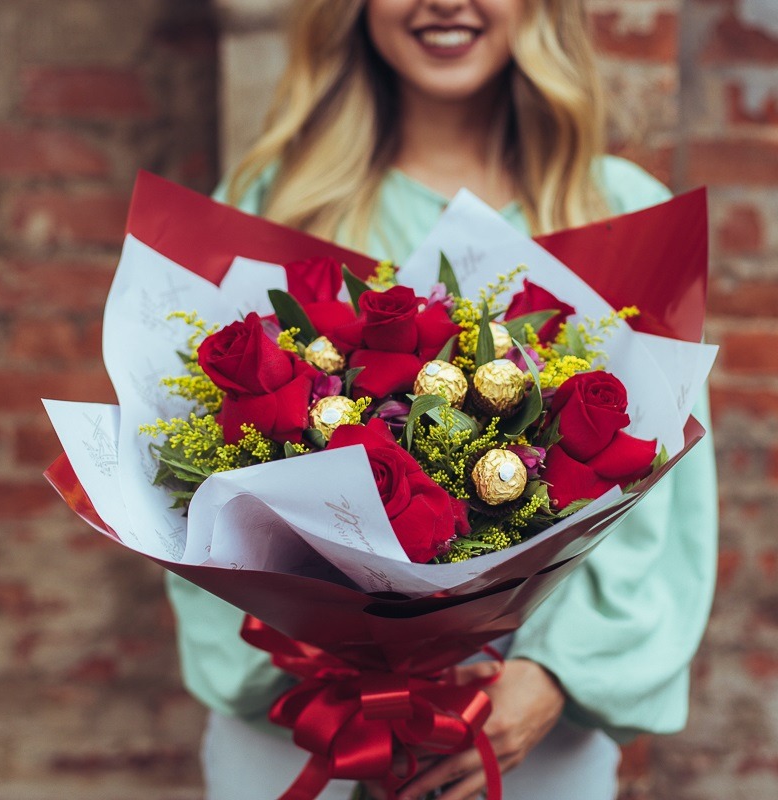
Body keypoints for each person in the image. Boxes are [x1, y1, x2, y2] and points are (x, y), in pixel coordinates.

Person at [165, 1, 718, 798]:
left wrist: (554, 678)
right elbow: (186, 479)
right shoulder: (271, 200)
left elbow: (662, 501)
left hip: (517, 730)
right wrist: (312, 663)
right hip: (303, 719)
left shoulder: (618, 208)